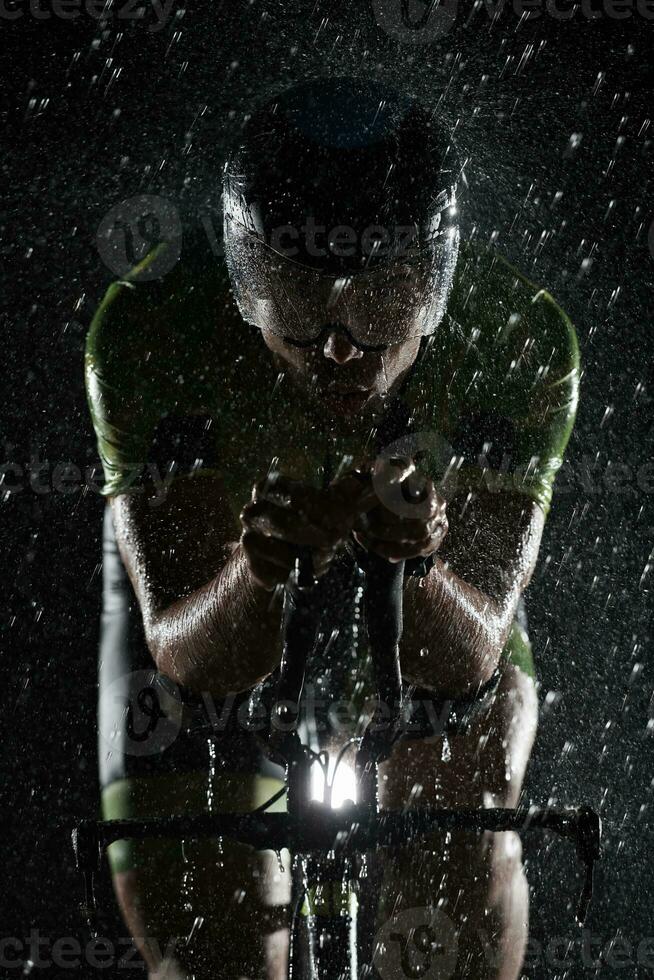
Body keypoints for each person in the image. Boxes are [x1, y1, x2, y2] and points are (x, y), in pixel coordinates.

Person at [86, 76, 579, 979]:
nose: (342, 348)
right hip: (210, 598)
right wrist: (258, 571)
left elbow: (465, 661)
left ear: (438, 290)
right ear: (241, 284)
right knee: (214, 948)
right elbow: (196, 661)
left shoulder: (520, 341)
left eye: (384, 303)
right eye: (297, 303)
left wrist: (424, 565)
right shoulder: (153, 328)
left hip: (422, 597)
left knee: (464, 829)